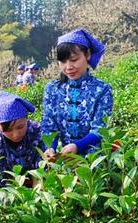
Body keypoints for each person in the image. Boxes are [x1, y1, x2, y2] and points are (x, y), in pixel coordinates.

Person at [42, 28, 113, 160]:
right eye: (63, 62)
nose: (68, 67)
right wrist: (50, 147)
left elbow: (101, 129)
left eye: (74, 60)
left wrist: (78, 146)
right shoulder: (52, 90)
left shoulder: (102, 90)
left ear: (88, 55)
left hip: (95, 162)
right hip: (65, 161)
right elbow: (49, 126)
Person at [0, 91, 46, 187]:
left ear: (26, 118)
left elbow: (44, 162)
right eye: (8, 130)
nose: (16, 135)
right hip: (11, 190)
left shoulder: (36, 131)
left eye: (20, 127)